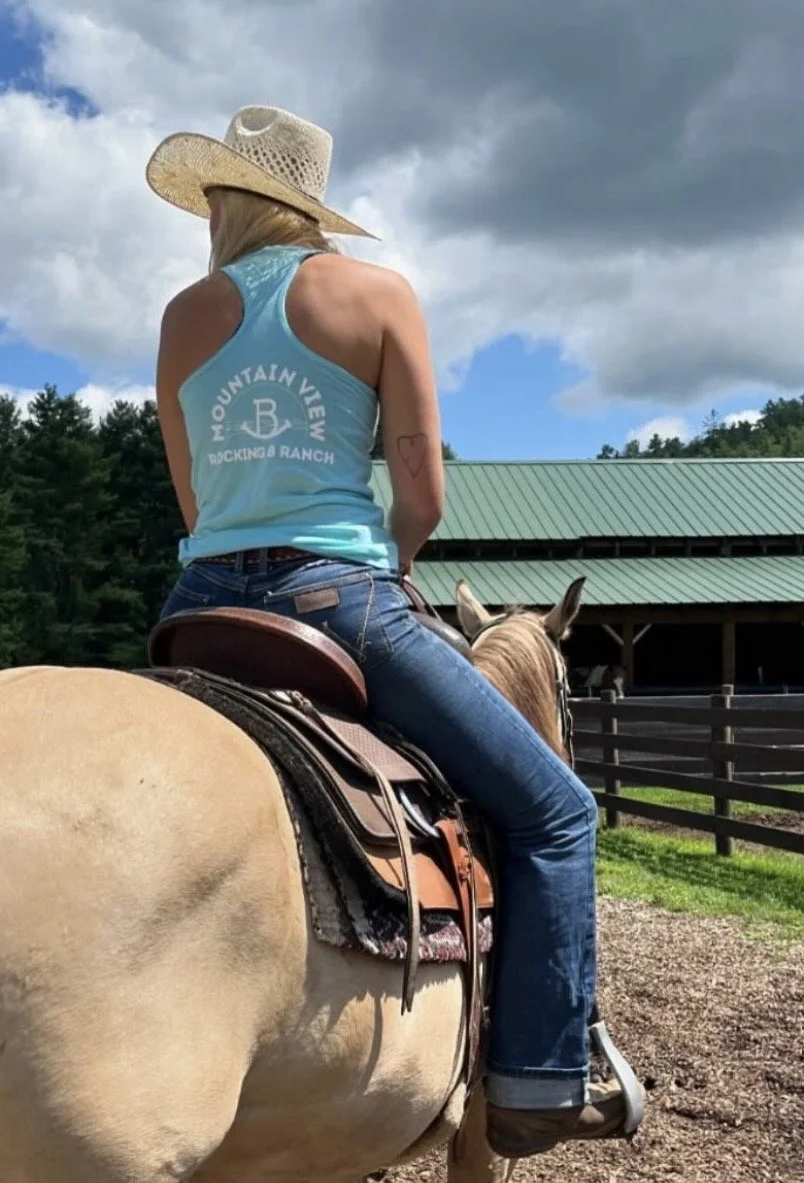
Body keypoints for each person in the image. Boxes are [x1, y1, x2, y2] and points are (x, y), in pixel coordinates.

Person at [145, 104, 643, 1158]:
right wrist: (396, 570)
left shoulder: (183, 318)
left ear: (226, 203)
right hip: (342, 597)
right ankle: (541, 1076)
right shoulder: (376, 296)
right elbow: (421, 496)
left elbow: (195, 506)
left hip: (199, 613)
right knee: (557, 813)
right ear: (307, 205)